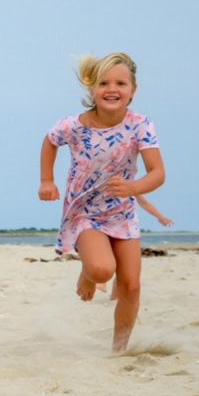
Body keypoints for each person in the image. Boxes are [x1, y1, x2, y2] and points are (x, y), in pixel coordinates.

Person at [38, 51, 166, 353]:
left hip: (122, 213)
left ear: (132, 90)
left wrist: (133, 186)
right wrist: (47, 180)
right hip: (85, 213)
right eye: (104, 83)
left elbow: (157, 173)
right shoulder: (74, 125)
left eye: (121, 83)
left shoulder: (141, 125)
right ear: (92, 88)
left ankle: (118, 350)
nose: (112, 89)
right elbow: (49, 141)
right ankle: (87, 271)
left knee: (131, 286)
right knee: (101, 270)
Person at [98, 193, 173, 299]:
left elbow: (144, 203)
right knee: (106, 255)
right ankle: (100, 281)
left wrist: (160, 216)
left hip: (126, 228)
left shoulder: (131, 185)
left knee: (124, 266)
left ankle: (115, 297)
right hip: (106, 225)